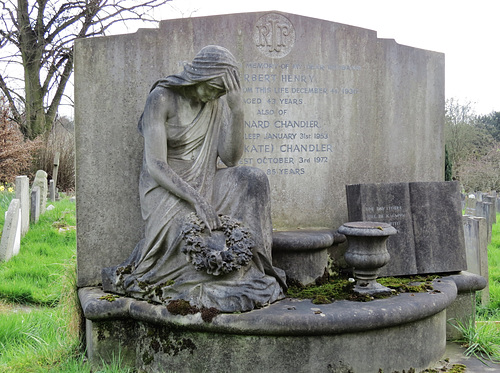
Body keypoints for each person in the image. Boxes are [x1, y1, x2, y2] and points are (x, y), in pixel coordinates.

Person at [102, 46, 286, 312]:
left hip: (206, 181)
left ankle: (252, 269)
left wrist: (237, 112)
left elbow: (231, 158)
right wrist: (197, 199)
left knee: (253, 179)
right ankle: (192, 276)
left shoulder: (216, 103)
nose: (214, 95)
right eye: (212, 87)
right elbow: (155, 164)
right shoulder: (161, 98)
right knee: (188, 235)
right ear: (199, 75)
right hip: (167, 187)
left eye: (220, 92)